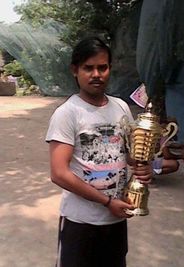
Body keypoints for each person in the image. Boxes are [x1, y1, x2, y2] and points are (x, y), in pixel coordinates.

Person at [45, 36, 153, 267]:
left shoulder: (121, 107)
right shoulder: (68, 113)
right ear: (75, 70)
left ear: (109, 69)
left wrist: (143, 168)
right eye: (88, 68)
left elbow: (129, 153)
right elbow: (59, 173)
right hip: (80, 222)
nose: (96, 74)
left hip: (115, 220)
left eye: (102, 67)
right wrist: (106, 202)